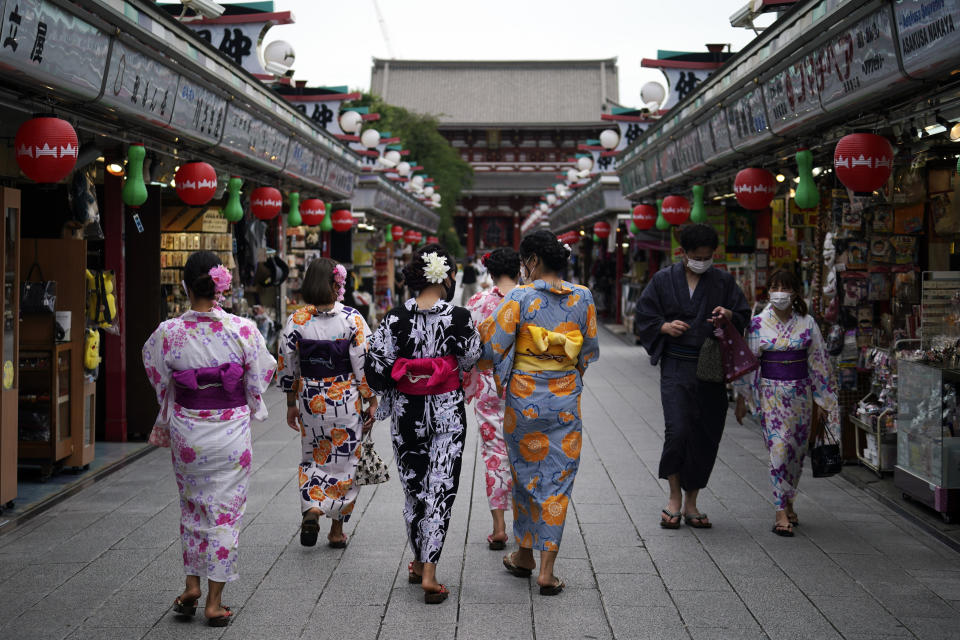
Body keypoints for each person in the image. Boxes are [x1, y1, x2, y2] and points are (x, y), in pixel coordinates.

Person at [142, 251, 276, 627]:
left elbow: (155, 372)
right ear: (221, 286)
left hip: (189, 432)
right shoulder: (243, 329)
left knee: (193, 507)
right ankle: (215, 602)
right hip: (231, 431)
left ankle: (191, 585)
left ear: (186, 286)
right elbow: (262, 374)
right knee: (225, 513)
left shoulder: (168, 333)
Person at [483, 230, 600, 596]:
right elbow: (588, 351)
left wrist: (505, 375)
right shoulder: (583, 297)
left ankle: (524, 555)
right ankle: (546, 569)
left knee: (525, 474)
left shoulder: (520, 296)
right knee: (558, 480)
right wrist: (567, 376)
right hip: (564, 399)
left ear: (532, 261)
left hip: (524, 400)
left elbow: (494, 345)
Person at [365, 244, 481, 604]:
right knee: (441, 486)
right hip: (447, 410)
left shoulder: (394, 318)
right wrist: (441, 368)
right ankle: (429, 572)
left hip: (407, 411)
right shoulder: (460, 316)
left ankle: (418, 561)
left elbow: (377, 371)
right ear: (446, 277)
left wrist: (405, 373)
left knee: (414, 486)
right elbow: (473, 356)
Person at [634, 224, 749, 530]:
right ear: (682, 253)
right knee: (678, 429)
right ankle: (673, 496)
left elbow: (743, 315)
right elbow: (644, 316)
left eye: (707, 256)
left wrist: (728, 316)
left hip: (710, 368)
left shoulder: (723, 281)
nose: (702, 261)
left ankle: (692, 501)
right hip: (676, 365)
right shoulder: (662, 280)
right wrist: (664, 327)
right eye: (696, 256)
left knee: (705, 433)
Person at [278, 258, 378, 549]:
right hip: (344, 396)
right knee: (346, 461)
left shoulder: (297, 320)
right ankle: (336, 530)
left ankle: (312, 507)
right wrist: (370, 398)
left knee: (313, 456)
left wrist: (290, 401)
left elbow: (287, 364)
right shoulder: (351, 319)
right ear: (337, 284)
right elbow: (362, 363)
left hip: (311, 398)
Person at [734, 269, 839, 537]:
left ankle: (789, 498)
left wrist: (824, 401)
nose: (779, 292)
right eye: (775, 286)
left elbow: (818, 362)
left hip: (801, 396)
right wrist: (743, 398)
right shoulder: (757, 323)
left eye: (785, 286)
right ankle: (780, 510)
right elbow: (748, 365)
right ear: (768, 290)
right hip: (771, 395)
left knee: (795, 452)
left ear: (794, 292)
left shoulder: (807, 323)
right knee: (778, 450)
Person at [463, 248, 520, 551]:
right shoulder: (531, 301)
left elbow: (469, 349)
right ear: (521, 268)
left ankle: (498, 528)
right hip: (527, 386)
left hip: (489, 387)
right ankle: (525, 527)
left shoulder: (478, 302)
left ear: (490, 272)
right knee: (524, 453)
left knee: (494, 454)